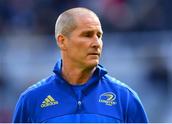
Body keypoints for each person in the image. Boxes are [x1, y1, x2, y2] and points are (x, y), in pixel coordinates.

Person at [12, 7, 148, 123]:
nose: (96, 43)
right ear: (62, 41)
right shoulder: (32, 99)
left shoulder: (124, 97)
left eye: (99, 35)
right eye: (87, 35)